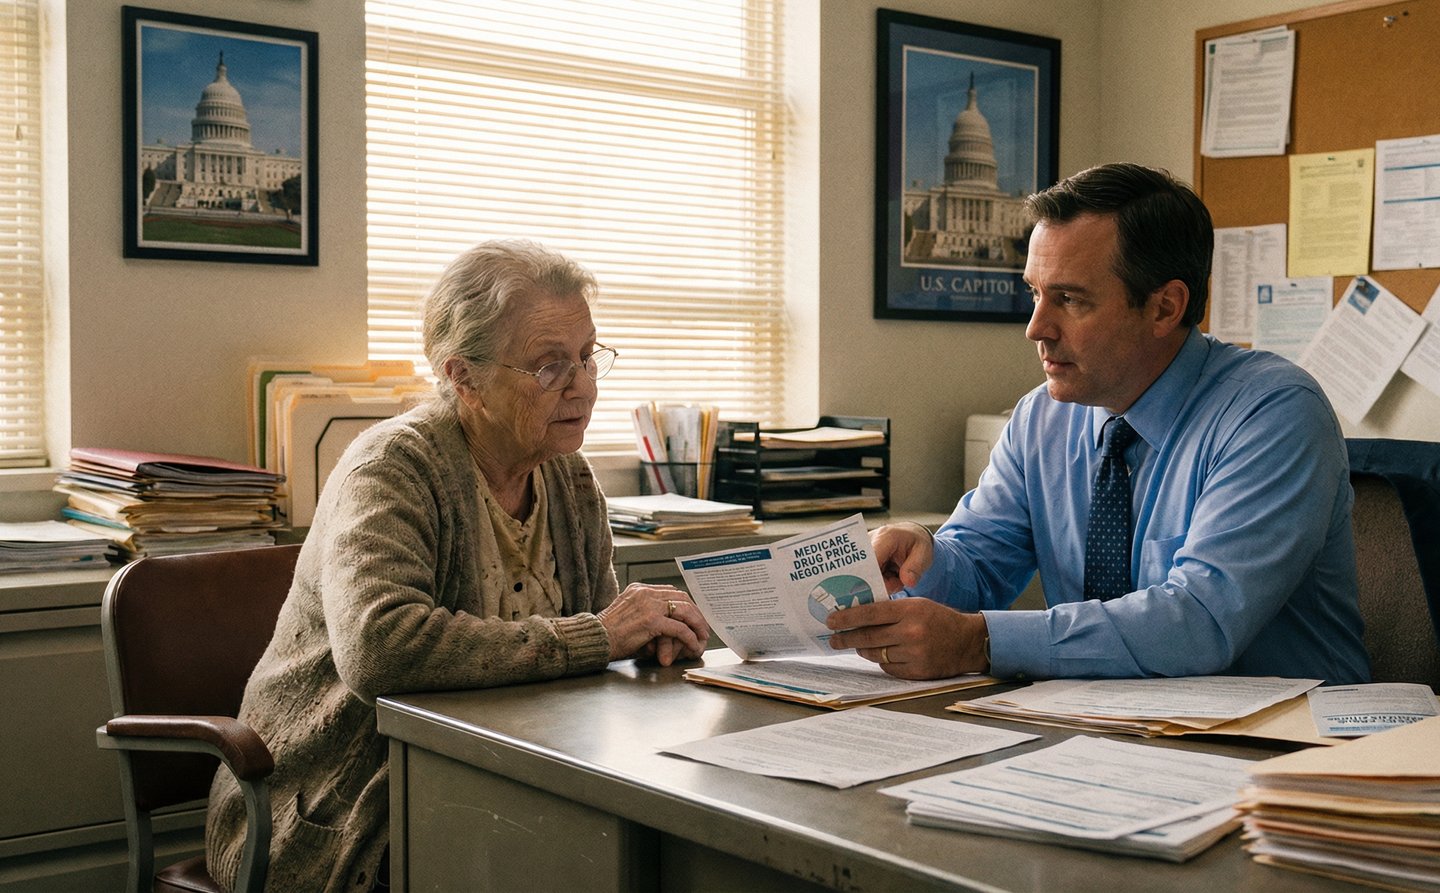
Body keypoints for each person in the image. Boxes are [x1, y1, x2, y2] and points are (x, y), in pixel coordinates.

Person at [206, 240, 710, 892]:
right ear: (464, 376)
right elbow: (379, 649)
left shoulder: (570, 478)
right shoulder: (393, 467)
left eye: (588, 356)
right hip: (334, 810)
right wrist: (600, 636)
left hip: (500, 782)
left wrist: (649, 640)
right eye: (550, 365)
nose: (583, 384)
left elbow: (590, 655)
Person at [827, 162, 1369, 685]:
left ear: (1164, 308)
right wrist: (925, 555)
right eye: (1036, 293)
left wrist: (981, 642)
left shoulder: (1273, 412)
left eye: (1070, 299)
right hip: (1100, 727)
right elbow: (980, 567)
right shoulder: (1041, 417)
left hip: (1282, 745)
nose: (1036, 327)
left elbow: (1201, 621)